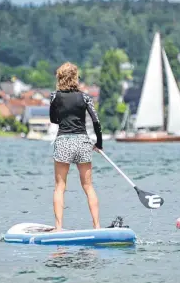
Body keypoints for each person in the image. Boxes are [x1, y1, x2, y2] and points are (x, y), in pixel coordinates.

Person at [49, 62, 103, 231]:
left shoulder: (54, 97)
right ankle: (97, 226)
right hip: (82, 142)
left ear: (60, 78)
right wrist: (99, 143)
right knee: (88, 186)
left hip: (64, 141)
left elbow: (53, 119)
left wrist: (63, 118)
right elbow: (96, 121)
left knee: (60, 187)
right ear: (75, 78)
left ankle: (58, 227)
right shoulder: (85, 97)